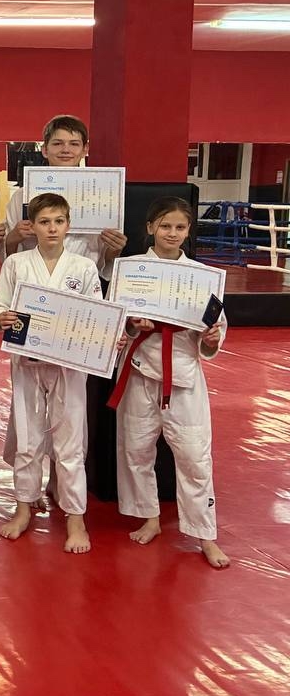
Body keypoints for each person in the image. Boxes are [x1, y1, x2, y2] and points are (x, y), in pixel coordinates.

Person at [112, 197, 230, 569]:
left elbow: (214, 329)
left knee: (195, 456)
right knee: (135, 450)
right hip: (140, 371)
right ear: (150, 228)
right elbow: (115, 322)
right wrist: (133, 326)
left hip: (183, 375)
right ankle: (149, 517)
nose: (172, 233)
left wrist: (211, 338)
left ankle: (205, 534)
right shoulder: (130, 270)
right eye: (165, 226)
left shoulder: (202, 276)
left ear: (188, 231)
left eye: (180, 227)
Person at [0, 194, 104, 554]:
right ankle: (23, 508)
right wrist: (1, 317)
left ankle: (75, 518)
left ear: (68, 225)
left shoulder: (84, 267)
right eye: (44, 222)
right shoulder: (17, 263)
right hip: (27, 362)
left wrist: (107, 336)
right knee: (27, 438)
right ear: (33, 226)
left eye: (58, 221)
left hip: (68, 366)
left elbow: (97, 314)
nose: (52, 228)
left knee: (70, 443)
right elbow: (0, 305)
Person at [1, 115, 127, 274]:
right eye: (57, 143)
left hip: (82, 278)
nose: (66, 150)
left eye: (74, 144)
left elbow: (105, 263)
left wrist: (114, 248)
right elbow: (10, 258)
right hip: (32, 278)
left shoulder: (103, 196)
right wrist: (13, 238)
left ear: (85, 149)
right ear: (45, 150)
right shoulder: (22, 196)